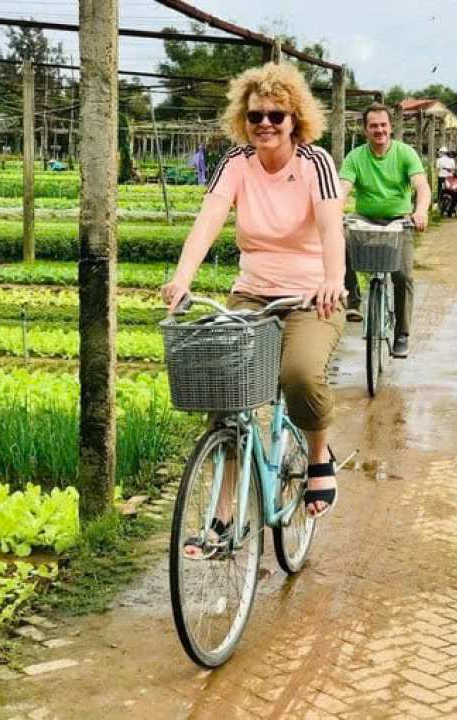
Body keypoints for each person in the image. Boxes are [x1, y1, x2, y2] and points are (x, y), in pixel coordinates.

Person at [162, 62, 345, 526]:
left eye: (276, 116)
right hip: (252, 295)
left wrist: (332, 279)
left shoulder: (315, 163)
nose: (265, 124)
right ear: (242, 121)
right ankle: (224, 508)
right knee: (227, 397)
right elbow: (208, 221)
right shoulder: (235, 163)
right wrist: (182, 277)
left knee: (300, 375)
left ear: (294, 120)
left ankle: (319, 457)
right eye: (256, 115)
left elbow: (330, 228)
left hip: (310, 297)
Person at [339, 103, 431, 359]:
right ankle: (353, 300)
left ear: (391, 127)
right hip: (365, 218)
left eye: (383, 125)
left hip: (399, 220)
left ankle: (402, 333)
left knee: (403, 275)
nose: (379, 130)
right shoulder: (355, 157)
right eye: (373, 126)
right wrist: (334, 213)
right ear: (365, 129)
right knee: (338, 237)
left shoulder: (405, 154)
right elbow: (343, 188)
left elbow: (421, 186)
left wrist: (420, 211)